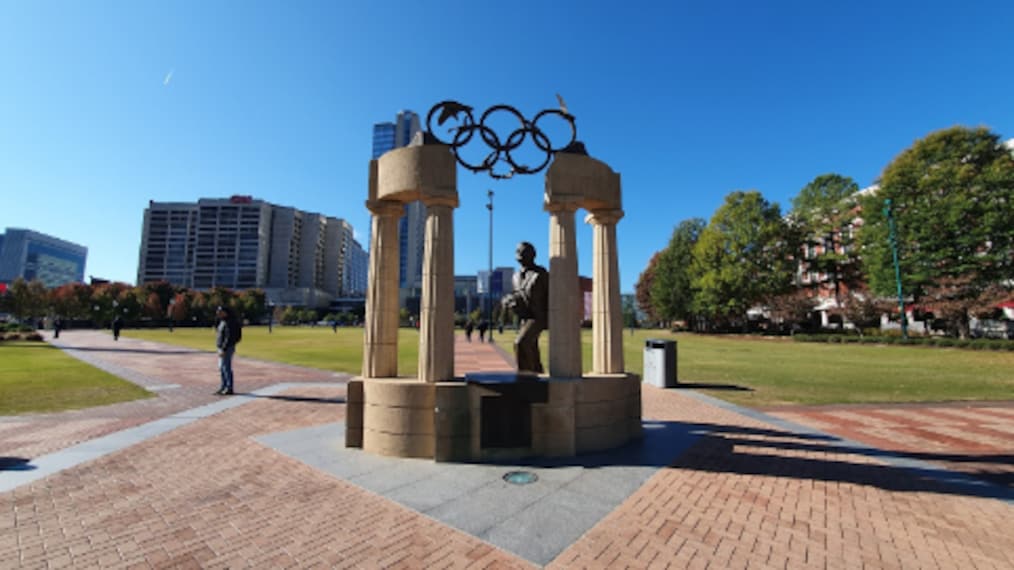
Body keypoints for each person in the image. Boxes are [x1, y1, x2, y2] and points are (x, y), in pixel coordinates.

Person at [501, 241, 549, 373]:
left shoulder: (541, 273)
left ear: (533, 255)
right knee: (532, 350)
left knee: (520, 343)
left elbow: (551, 295)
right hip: (524, 317)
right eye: (518, 251)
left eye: (523, 251)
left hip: (538, 317)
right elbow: (516, 294)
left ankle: (525, 380)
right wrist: (508, 300)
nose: (519, 253)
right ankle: (538, 376)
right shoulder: (515, 277)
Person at [215, 306, 240, 395]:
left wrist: (224, 348)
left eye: (220, 311)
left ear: (225, 312)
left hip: (226, 348)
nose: (218, 313)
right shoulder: (222, 321)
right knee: (222, 367)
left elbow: (229, 337)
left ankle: (229, 387)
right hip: (221, 347)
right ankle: (223, 386)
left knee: (226, 367)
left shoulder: (230, 322)